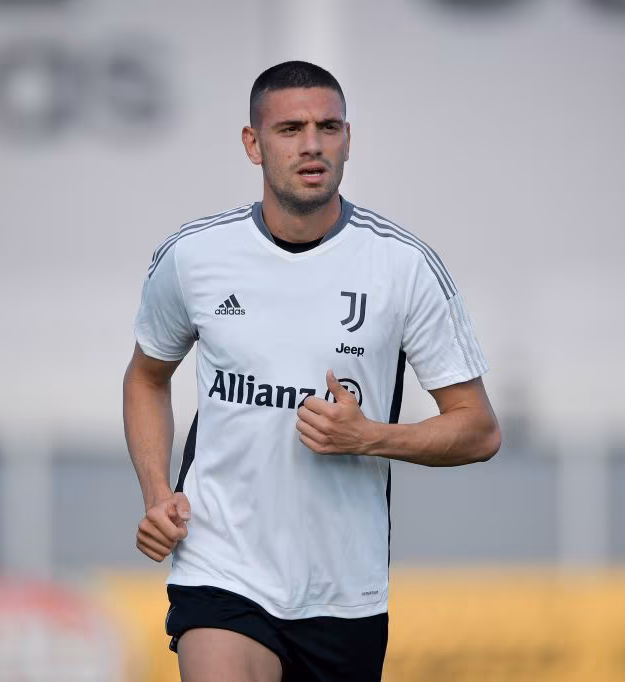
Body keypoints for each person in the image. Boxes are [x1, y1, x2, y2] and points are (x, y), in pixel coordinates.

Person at [123, 60, 501, 682]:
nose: (312, 144)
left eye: (328, 127)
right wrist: (157, 495)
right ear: (253, 144)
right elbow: (146, 377)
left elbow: (479, 429)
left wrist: (370, 436)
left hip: (344, 592)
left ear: (348, 140)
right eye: (290, 129)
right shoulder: (194, 257)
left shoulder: (402, 266)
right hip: (221, 567)